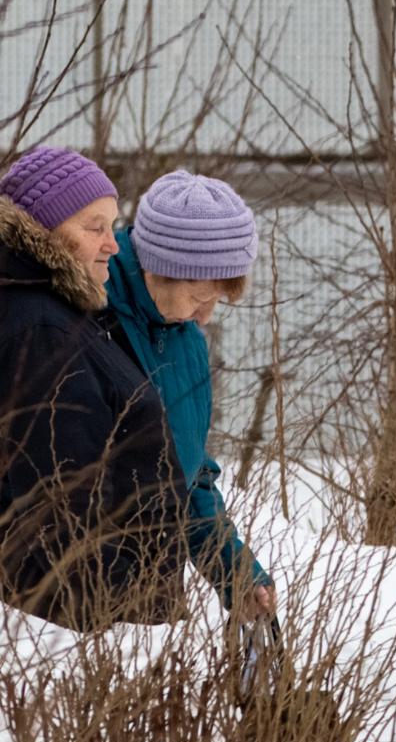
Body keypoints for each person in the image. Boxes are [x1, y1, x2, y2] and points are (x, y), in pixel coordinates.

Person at [0, 146, 188, 628]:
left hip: (38, 607)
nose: (112, 244)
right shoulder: (37, 328)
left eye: (112, 226)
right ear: (41, 232)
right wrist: (105, 619)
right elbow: (61, 502)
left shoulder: (27, 311)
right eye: (93, 227)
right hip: (57, 619)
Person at [105, 169, 277, 624]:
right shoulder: (90, 316)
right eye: (200, 295)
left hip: (150, 595)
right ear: (159, 269)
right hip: (72, 602)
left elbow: (190, 478)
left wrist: (236, 574)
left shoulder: (188, 342)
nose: (206, 314)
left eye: (217, 298)